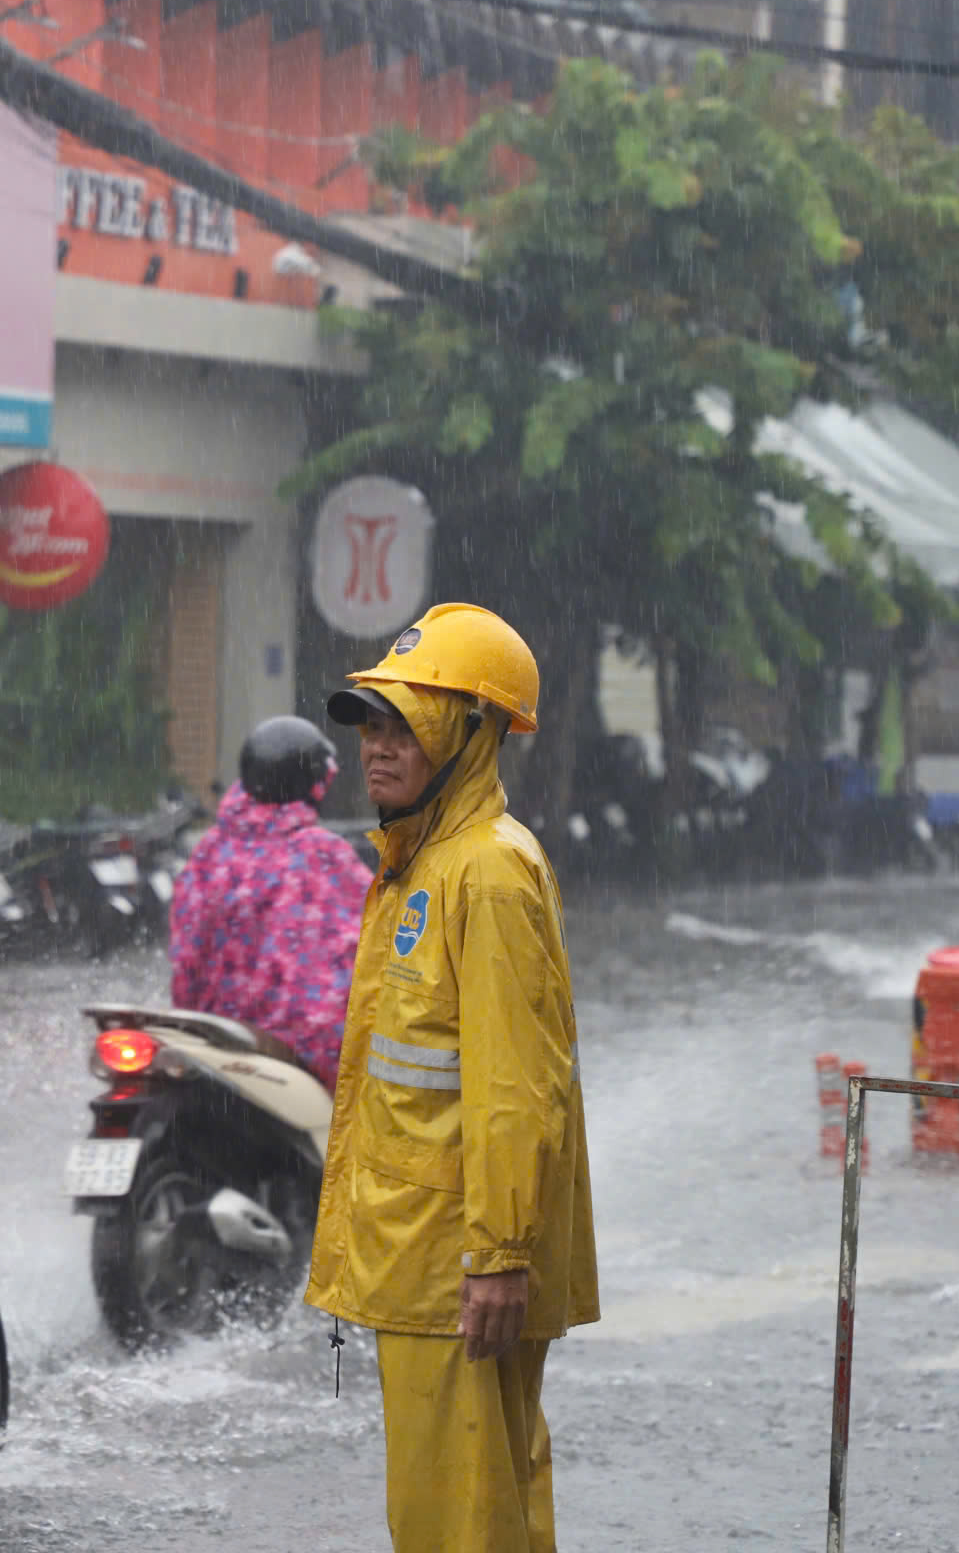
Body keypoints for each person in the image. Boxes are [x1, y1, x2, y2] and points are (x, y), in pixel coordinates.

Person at [304, 603, 599, 1553]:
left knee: (461, 1522)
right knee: (475, 1512)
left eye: (406, 726)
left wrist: (500, 1253)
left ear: (470, 736)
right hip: (424, 1256)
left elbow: (515, 1083)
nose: (378, 750)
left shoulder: (487, 874)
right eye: (372, 728)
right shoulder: (421, 863)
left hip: (456, 1264)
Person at [168, 715, 372, 1089]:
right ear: (312, 785)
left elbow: (185, 962)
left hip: (213, 1045)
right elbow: (380, 945)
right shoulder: (323, 854)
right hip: (298, 1060)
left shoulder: (209, 851)